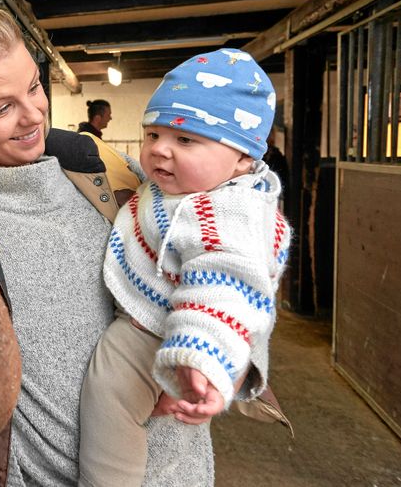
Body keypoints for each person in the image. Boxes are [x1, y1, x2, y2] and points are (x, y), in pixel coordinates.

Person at [0, 7, 216, 487]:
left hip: (181, 469)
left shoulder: (109, 172)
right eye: (2, 108)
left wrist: (217, 360)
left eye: (34, 88)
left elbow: (219, 261)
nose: (33, 115)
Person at [78, 49, 292, 487]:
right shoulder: (184, 188)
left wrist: (199, 355)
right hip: (164, 322)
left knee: (109, 395)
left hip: (164, 330)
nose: (160, 149)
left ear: (242, 158)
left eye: (186, 140)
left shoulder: (227, 211)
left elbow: (225, 285)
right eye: (153, 134)